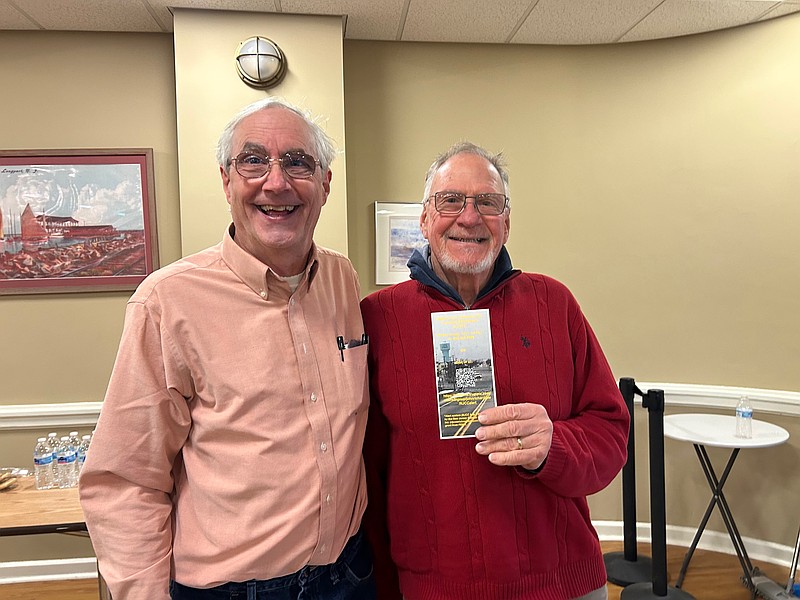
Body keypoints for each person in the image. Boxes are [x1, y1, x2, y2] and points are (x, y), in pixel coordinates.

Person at [79, 98, 375, 600]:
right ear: (226, 181)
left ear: (325, 184)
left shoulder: (341, 279)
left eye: (298, 162)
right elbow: (126, 480)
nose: (276, 182)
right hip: (234, 591)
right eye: (254, 160)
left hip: (347, 574)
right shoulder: (167, 301)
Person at [360, 141, 629, 600]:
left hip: (561, 584)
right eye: (451, 200)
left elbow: (610, 433)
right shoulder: (378, 319)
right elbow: (369, 474)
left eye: (488, 202)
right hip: (434, 589)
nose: (470, 217)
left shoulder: (554, 304)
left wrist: (554, 444)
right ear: (424, 219)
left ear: (506, 222)